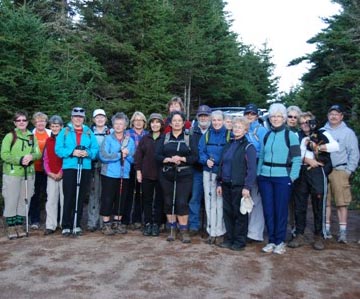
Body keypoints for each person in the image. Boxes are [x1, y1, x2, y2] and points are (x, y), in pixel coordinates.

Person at [288, 112, 339, 250]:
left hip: (317, 171)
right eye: (302, 123)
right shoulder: (296, 135)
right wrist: (307, 159)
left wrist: (317, 147)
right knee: (299, 203)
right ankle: (298, 234)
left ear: (313, 121)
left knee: (318, 203)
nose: (305, 125)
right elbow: (293, 152)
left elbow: (335, 146)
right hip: (301, 169)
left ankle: (319, 235)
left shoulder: (322, 133)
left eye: (307, 122)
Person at [257, 103, 301, 254]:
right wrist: (258, 174)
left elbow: (297, 159)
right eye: (273, 116)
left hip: (282, 177)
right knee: (268, 210)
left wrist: (292, 177)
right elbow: (262, 156)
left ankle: (280, 241)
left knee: (280, 210)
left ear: (283, 118)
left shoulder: (290, 136)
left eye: (278, 116)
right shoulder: (267, 135)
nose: (275, 119)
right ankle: (271, 240)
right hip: (265, 177)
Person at [55, 107, 99, 236]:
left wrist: (88, 153)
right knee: (69, 195)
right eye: (75, 116)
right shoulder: (65, 131)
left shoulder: (89, 132)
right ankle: (66, 225)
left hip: (84, 167)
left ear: (83, 118)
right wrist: (72, 152)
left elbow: (95, 149)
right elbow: (58, 149)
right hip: (70, 167)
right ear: (71, 118)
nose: (78, 119)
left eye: (80, 117)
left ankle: (77, 224)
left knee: (80, 196)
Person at [156, 111, 198, 243]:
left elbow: (195, 157)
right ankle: (172, 229)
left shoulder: (189, 137)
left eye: (179, 120)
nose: (177, 123)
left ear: (184, 122)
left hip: (184, 175)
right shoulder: (165, 137)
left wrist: (182, 158)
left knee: (181, 202)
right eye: (174, 120)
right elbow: (157, 155)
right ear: (170, 122)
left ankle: (184, 230)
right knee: (169, 202)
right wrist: (168, 159)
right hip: (167, 174)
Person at [216, 117, 257, 251]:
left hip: (239, 186)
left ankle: (239, 241)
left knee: (240, 214)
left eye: (240, 127)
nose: (237, 129)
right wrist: (219, 182)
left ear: (245, 130)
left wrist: (247, 187)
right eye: (235, 127)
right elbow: (221, 164)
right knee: (228, 213)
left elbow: (251, 169)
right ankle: (229, 239)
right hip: (226, 184)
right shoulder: (228, 145)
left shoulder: (248, 147)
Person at [1, 111, 41, 239]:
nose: (22, 122)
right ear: (15, 123)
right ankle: (11, 226)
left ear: (27, 122)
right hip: (12, 173)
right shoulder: (10, 136)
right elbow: (4, 154)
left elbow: (38, 153)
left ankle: (19, 224)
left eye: (24, 120)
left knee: (25, 198)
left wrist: (31, 156)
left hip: (28, 173)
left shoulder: (31, 136)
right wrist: (19, 160)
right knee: (11, 198)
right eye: (19, 120)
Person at [323, 104, 359, 243]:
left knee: (341, 203)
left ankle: (342, 232)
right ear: (328, 116)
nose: (333, 116)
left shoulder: (347, 133)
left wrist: (349, 170)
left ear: (341, 116)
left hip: (340, 170)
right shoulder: (322, 131)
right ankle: (326, 230)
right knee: (326, 202)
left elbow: (354, 153)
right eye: (331, 114)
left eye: (336, 114)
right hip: (325, 170)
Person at [99, 112, 135, 236]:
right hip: (109, 174)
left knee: (121, 199)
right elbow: (103, 156)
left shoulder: (129, 140)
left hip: (124, 174)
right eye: (116, 123)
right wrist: (119, 155)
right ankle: (106, 224)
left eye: (121, 124)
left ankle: (117, 223)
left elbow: (133, 159)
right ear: (113, 125)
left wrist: (127, 154)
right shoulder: (108, 138)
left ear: (125, 126)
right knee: (107, 198)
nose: (119, 126)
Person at [198, 110, 229, 244]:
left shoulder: (229, 135)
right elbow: (200, 151)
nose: (216, 122)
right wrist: (206, 160)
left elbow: (230, 153)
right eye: (214, 120)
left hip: (223, 173)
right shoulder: (206, 135)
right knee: (210, 202)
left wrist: (220, 162)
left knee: (220, 203)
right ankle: (211, 231)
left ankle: (220, 231)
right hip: (208, 172)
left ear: (223, 121)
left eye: (219, 120)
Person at [135, 113, 164, 237]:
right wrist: (138, 171)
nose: (155, 124)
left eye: (157, 122)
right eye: (153, 122)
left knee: (159, 201)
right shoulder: (145, 138)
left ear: (161, 124)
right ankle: (147, 223)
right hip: (146, 174)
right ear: (150, 124)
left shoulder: (165, 138)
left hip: (162, 175)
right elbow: (139, 156)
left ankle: (156, 224)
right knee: (146, 200)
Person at [244, 103, 268, 242]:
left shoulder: (262, 131)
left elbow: (264, 152)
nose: (250, 116)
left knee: (256, 201)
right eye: (247, 114)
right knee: (245, 199)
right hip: (243, 168)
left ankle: (255, 233)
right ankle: (245, 230)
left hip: (257, 166)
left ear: (257, 116)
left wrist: (258, 171)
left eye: (252, 114)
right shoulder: (242, 129)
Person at [188, 105, 212, 235]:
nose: (203, 118)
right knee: (195, 198)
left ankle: (210, 226)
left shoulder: (215, 130)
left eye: (206, 115)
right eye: (201, 116)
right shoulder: (192, 131)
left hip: (211, 170)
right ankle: (193, 225)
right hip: (197, 170)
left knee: (211, 199)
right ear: (197, 117)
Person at [87, 108, 111, 232]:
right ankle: (92, 222)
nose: (100, 119)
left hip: (108, 167)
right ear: (94, 119)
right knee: (93, 194)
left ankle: (104, 221)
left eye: (102, 117)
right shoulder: (89, 132)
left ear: (105, 119)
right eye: (97, 117)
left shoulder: (111, 132)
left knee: (106, 194)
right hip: (94, 166)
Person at [124, 111, 148, 230]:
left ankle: (137, 219)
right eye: (136, 120)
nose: (138, 122)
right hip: (129, 166)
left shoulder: (147, 135)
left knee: (141, 194)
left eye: (141, 120)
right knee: (128, 193)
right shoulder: (126, 134)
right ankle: (125, 219)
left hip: (143, 168)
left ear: (144, 122)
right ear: (132, 122)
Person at [29, 112, 51, 229]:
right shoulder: (30, 135)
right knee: (35, 195)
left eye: (43, 120)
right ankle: (35, 220)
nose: (41, 123)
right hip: (35, 169)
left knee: (50, 195)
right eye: (38, 121)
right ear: (34, 122)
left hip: (48, 170)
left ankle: (50, 220)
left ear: (46, 122)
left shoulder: (50, 133)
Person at [43, 115, 64, 235]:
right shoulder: (48, 140)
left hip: (63, 174)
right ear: (50, 127)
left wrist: (61, 172)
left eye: (57, 126)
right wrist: (49, 172)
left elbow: (66, 157)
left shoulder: (65, 139)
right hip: (51, 174)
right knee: (51, 199)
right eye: (53, 126)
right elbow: (45, 159)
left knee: (64, 199)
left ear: (61, 127)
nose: (55, 128)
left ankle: (63, 223)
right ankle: (50, 225)